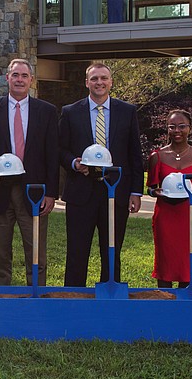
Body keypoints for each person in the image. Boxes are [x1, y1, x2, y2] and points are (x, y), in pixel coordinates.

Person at [59, 62, 144, 287]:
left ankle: (110, 293)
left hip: (115, 191)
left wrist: (136, 191)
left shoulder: (127, 111)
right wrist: (74, 162)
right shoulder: (70, 112)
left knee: (112, 249)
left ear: (111, 82)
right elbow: (60, 149)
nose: (99, 82)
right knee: (77, 251)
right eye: (94, 78)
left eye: (103, 78)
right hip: (80, 191)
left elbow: (135, 154)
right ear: (86, 82)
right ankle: (74, 297)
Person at [0, 59, 59, 286]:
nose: (20, 80)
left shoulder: (47, 111)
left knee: (36, 253)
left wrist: (51, 193)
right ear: (7, 78)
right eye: (15, 75)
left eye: (24, 76)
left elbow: (52, 155)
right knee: (0, 254)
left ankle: (36, 296)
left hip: (34, 193)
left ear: (31, 80)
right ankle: (1, 297)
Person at [147, 109, 192, 288]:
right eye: (172, 127)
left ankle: (186, 300)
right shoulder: (156, 156)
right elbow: (151, 188)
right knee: (165, 260)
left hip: (188, 215)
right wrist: (155, 192)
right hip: (165, 215)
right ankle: (165, 300)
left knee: (187, 258)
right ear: (167, 129)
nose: (177, 130)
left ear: (190, 128)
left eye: (182, 126)